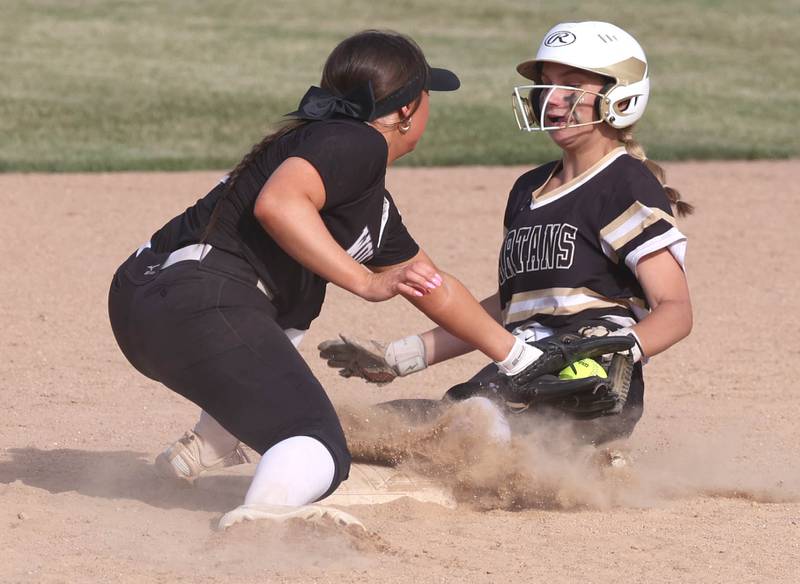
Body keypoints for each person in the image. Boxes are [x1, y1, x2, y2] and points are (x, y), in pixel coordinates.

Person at [107, 29, 552, 530]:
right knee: (316, 442)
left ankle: (206, 445)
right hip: (200, 301)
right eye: (428, 96)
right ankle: (261, 524)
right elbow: (278, 204)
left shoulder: (359, 192)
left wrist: (521, 358)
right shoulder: (356, 139)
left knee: (268, 354)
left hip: (147, 308)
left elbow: (430, 283)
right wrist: (364, 281)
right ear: (406, 111)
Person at [320, 21, 693, 448]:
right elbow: (508, 308)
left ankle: (577, 464)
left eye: (572, 87)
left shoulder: (624, 183)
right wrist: (401, 356)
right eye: (546, 86)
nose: (552, 100)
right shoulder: (526, 191)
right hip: (518, 372)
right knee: (386, 427)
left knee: (466, 428)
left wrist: (620, 349)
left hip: (582, 384)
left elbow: (675, 309)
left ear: (621, 96)